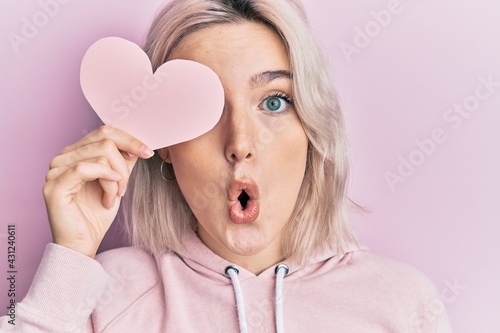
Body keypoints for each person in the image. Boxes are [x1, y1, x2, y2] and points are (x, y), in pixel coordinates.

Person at [1, 0, 452, 332]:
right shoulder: (103, 294)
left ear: (311, 127)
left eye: (274, 102)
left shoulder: (400, 302)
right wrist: (70, 257)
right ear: (163, 145)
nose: (239, 143)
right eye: (206, 109)